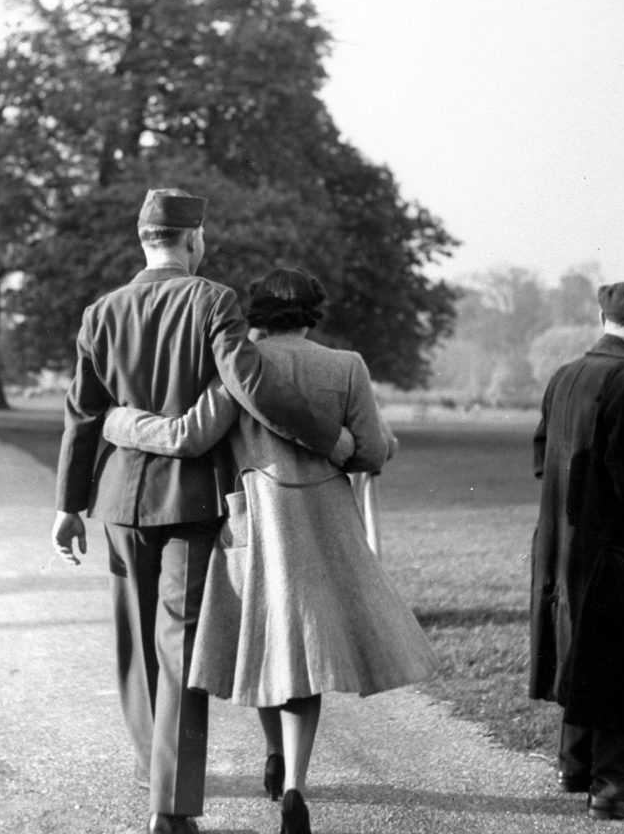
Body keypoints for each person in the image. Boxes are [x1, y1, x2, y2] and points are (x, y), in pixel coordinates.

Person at [51, 191, 355, 834]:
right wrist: (330, 438)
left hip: (116, 500)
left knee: (137, 649)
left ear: (143, 240)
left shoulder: (100, 312)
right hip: (188, 499)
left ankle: (155, 773)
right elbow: (252, 385)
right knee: (179, 650)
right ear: (192, 240)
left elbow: (83, 414)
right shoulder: (212, 300)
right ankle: (171, 808)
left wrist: (67, 506)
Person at [102, 267, 439, 834]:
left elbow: (192, 436)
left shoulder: (237, 366)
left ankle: (272, 755)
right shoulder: (346, 365)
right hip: (324, 522)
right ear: (314, 312)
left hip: (254, 522)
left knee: (267, 646)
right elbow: (371, 452)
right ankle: (293, 787)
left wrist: (120, 423)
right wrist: (369, 446)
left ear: (253, 313)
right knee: (306, 654)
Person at [529, 280, 624, 821]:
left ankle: (576, 766)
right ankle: (620, 785)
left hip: (562, 544)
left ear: (602, 319)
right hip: (616, 550)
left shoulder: (565, 375)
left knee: (581, 650)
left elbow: (541, 457)